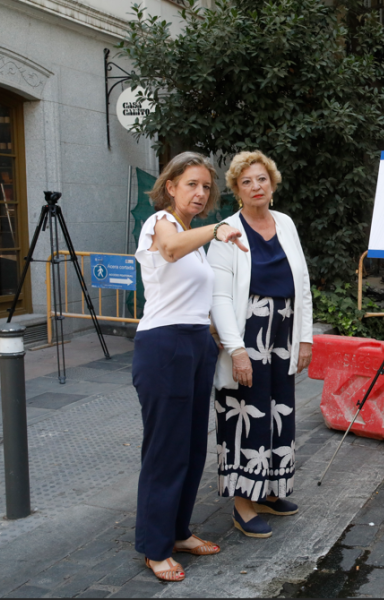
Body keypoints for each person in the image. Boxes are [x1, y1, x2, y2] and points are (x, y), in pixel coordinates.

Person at [132, 152, 247, 582]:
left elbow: (200, 296)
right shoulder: (160, 222)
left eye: (205, 187)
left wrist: (221, 340)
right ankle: (155, 546)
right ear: (171, 187)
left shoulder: (195, 240)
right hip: (164, 344)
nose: (200, 193)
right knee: (165, 449)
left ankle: (178, 532)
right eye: (191, 184)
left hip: (197, 344)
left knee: (193, 447)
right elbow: (169, 249)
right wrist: (216, 230)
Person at [208, 151, 313, 539]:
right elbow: (219, 297)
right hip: (247, 332)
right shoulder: (226, 231)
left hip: (284, 332)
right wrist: (236, 350)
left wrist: (305, 338)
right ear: (237, 190)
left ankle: (269, 491)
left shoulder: (285, 222)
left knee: (279, 410)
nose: (256, 186)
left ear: (273, 183)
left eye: (262, 179)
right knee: (246, 412)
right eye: (247, 181)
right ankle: (242, 504)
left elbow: (301, 283)